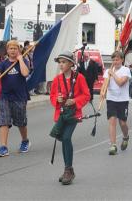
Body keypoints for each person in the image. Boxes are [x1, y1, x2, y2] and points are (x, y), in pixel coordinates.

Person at [50, 51, 90, 185]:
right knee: (63, 139)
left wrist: (74, 101)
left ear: (71, 64)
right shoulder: (57, 79)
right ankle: (68, 169)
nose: (61, 65)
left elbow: (86, 95)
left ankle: (68, 169)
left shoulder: (79, 78)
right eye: (59, 62)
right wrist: (57, 99)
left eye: (64, 62)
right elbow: (52, 97)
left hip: (73, 113)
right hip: (61, 114)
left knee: (66, 137)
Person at [0, 40, 31, 157]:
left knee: (21, 121)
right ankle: (3, 147)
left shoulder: (24, 60)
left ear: (19, 50)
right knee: (3, 121)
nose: (13, 51)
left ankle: (25, 140)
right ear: (7, 50)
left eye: (15, 48)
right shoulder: (4, 63)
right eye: (10, 48)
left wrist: (20, 60)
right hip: (5, 96)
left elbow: (25, 73)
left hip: (20, 96)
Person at [102, 51, 131, 154]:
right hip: (111, 99)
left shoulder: (126, 70)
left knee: (122, 123)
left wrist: (113, 74)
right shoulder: (108, 71)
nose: (115, 62)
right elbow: (105, 84)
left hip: (123, 100)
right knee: (112, 120)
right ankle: (113, 145)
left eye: (117, 60)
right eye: (113, 60)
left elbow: (120, 83)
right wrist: (102, 92)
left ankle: (126, 136)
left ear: (122, 60)